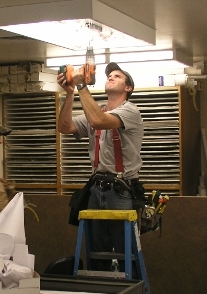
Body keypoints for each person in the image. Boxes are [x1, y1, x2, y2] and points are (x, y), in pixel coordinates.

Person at [57, 62, 144, 271]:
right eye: (109, 75)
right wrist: (69, 94)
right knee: (97, 253)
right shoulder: (96, 112)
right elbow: (64, 127)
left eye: (117, 76)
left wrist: (81, 86)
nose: (111, 77)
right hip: (97, 189)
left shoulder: (130, 111)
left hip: (121, 190)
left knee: (126, 254)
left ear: (128, 88)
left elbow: (98, 120)